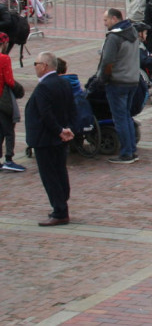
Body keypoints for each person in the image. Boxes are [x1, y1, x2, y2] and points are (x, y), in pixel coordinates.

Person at [24, 51, 77, 226]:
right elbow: (71, 108)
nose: (35, 67)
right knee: (59, 171)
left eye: (36, 64)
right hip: (59, 137)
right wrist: (68, 129)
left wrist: (59, 130)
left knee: (50, 175)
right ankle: (61, 204)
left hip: (46, 138)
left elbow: (45, 114)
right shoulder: (64, 82)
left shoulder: (44, 86)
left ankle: (60, 211)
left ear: (44, 66)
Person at [98, 9, 141, 163]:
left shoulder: (114, 37)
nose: (105, 23)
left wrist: (103, 78)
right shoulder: (133, 32)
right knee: (127, 116)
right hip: (133, 79)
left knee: (120, 118)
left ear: (114, 19)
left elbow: (107, 62)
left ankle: (126, 153)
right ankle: (131, 150)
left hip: (118, 82)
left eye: (106, 20)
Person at [0, 32, 25, 172]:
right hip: (3, 99)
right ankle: (9, 159)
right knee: (9, 130)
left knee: (0, 130)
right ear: (4, 44)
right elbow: (9, 81)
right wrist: (19, 90)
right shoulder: (4, 58)